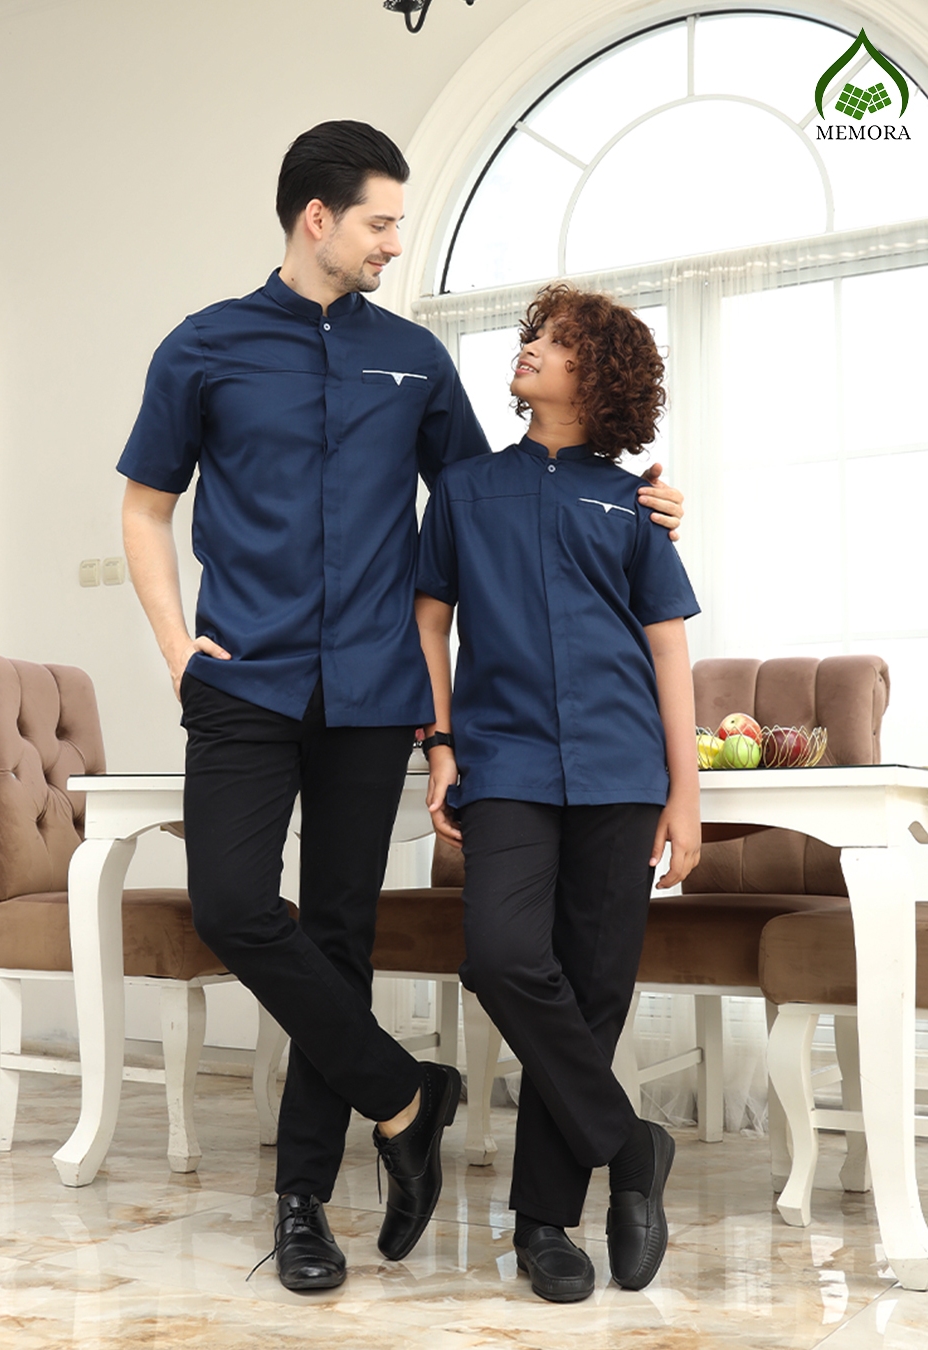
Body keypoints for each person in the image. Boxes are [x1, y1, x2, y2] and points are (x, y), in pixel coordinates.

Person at [118, 122, 686, 1293]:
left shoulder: (414, 361)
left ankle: (303, 1204)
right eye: (380, 222)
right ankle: (404, 1093)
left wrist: (638, 503)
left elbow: (498, 498)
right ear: (317, 218)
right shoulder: (204, 346)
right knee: (232, 905)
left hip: (374, 692)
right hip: (242, 677)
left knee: (338, 934)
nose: (392, 242)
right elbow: (145, 506)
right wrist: (177, 647)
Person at [414, 285, 701, 1303]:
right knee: (500, 956)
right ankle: (631, 1145)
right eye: (530, 334)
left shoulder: (634, 502)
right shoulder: (462, 489)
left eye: (556, 340)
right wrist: (440, 744)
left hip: (622, 769)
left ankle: (544, 1223)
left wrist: (685, 795)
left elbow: (667, 652)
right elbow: (430, 623)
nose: (530, 348)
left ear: (601, 374)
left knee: (592, 991)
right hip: (506, 765)